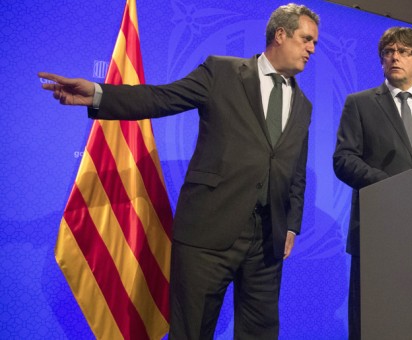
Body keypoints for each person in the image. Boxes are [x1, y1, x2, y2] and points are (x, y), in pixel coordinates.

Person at [39, 3, 319, 339]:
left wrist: (290, 224)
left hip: (266, 243)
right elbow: (161, 98)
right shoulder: (222, 72)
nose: (311, 49)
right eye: (306, 39)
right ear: (280, 34)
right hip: (208, 232)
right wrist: (99, 95)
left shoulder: (304, 104)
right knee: (192, 332)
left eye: (314, 43)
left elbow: (296, 169)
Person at [333, 27, 412, 340]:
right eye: (389, 52)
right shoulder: (360, 104)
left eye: (404, 52)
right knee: (371, 317)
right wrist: (385, 183)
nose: (395, 57)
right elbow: (343, 159)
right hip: (377, 226)